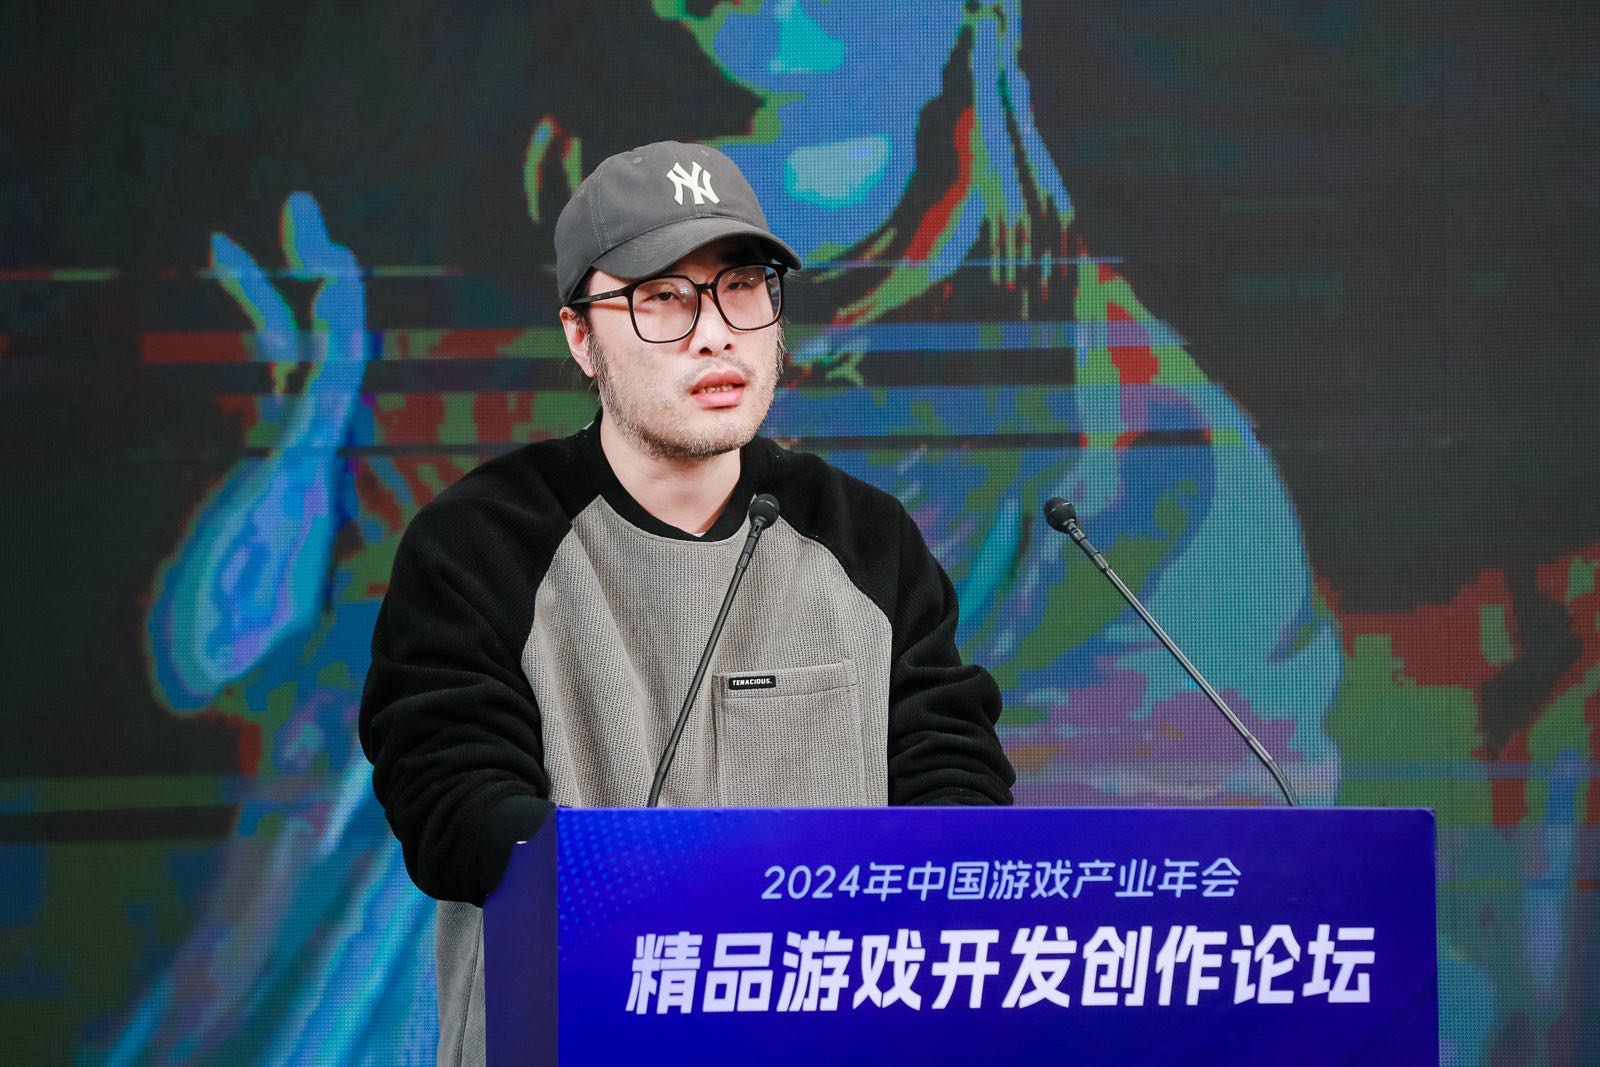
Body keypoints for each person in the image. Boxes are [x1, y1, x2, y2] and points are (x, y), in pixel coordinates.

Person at [358, 139, 1015, 1065]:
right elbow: (453, 806)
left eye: (742, 287)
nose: (716, 333)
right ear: (580, 337)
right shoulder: (480, 544)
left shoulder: (865, 539)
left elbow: (955, 780)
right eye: (663, 297)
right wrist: (688, 901)